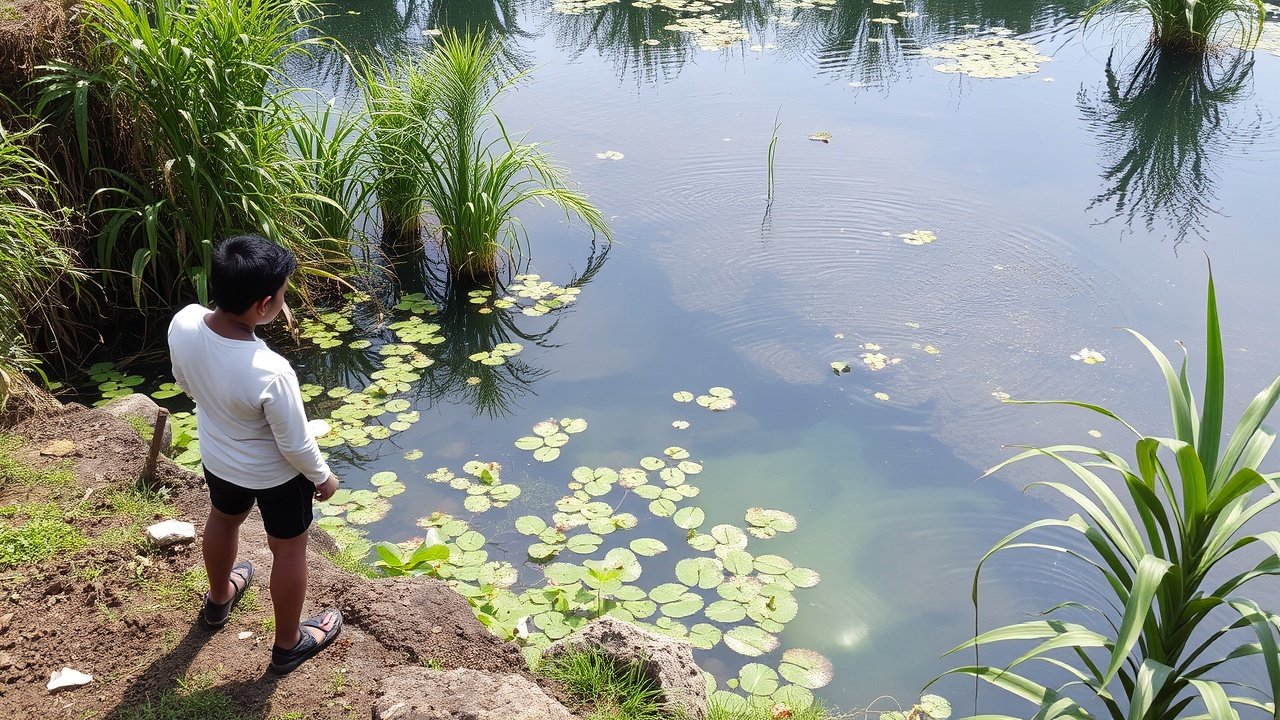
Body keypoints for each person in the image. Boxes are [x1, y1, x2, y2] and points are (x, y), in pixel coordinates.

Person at [167, 234, 343, 674]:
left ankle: (218, 599)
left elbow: (184, 381)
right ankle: (288, 643)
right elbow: (295, 444)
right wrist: (323, 478)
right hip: (276, 477)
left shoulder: (184, 322)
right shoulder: (271, 371)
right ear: (264, 305)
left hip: (218, 460)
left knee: (224, 518)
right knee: (289, 549)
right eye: (283, 295)